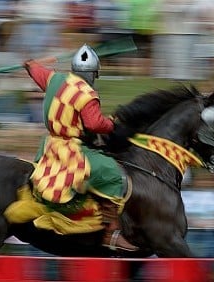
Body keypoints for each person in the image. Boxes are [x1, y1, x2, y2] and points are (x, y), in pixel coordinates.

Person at [24, 44, 138, 251]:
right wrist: (112, 123)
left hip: (49, 146)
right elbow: (95, 124)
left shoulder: (54, 79)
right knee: (113, 173)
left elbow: (35, 71)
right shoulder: (87, 94)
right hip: (71, 150)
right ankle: (111, 233)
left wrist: (31, 64)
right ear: (93, 73)